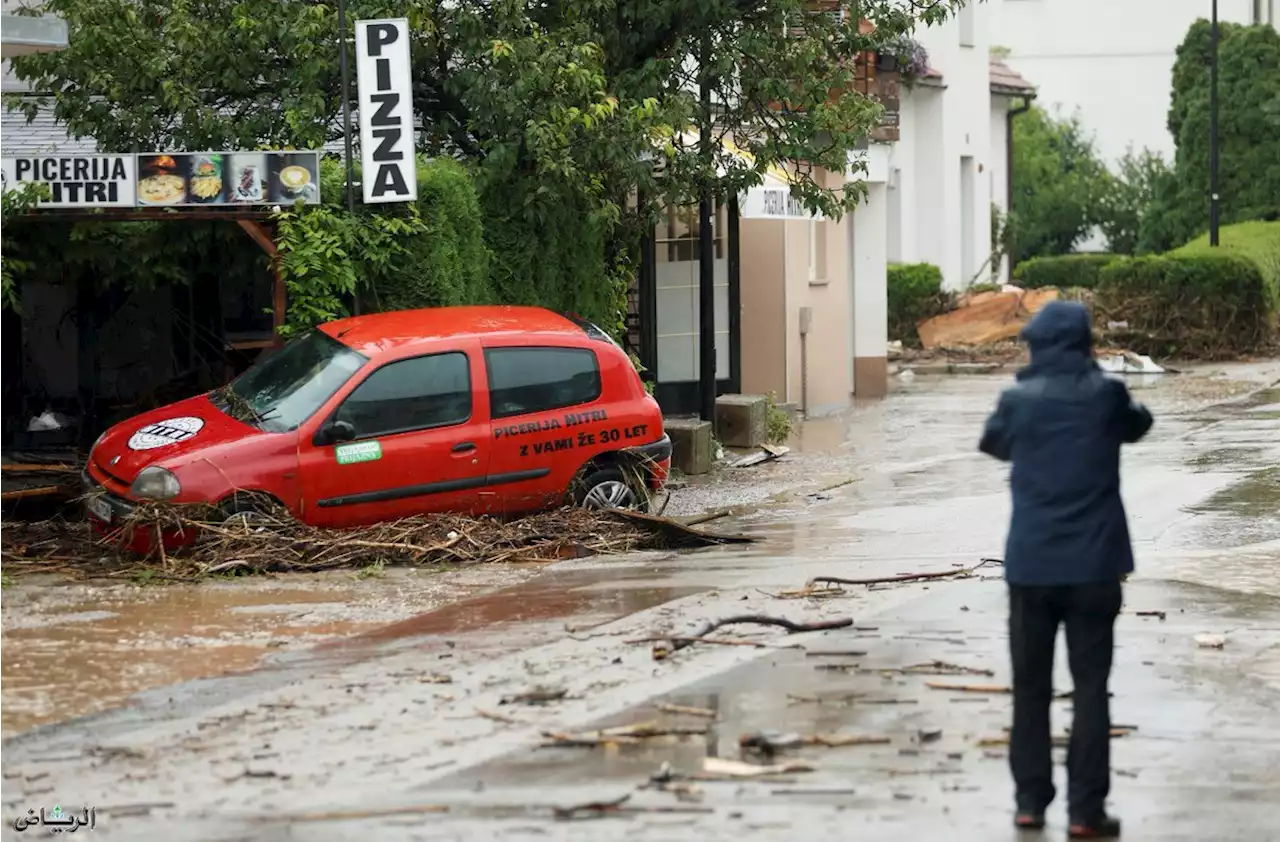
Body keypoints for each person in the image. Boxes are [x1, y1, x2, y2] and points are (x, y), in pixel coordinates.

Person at [979, 300, 1152, 839]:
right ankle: (1085, 811)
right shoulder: (1106, 396)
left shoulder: (1017, 401)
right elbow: (1139, 424)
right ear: (1085, 344)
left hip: (1031, 569)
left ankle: (1030, 802)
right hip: (1095, 568)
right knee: (1090, 687)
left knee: (1030, 688)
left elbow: (993, 442)